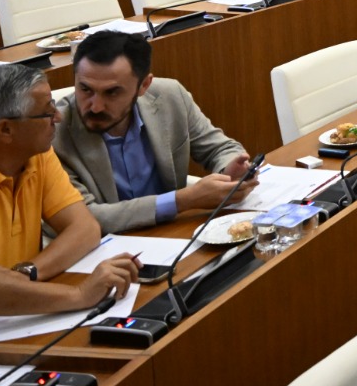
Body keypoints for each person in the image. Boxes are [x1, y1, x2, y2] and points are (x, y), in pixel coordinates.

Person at [0, 64, 138, 318]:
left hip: (16, 312)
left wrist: (25, 273)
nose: (58, 117)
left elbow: (85, 229)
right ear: (5, 130)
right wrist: (79, 295)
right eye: (46, 112)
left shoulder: (37, 156)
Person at [53, 31, 253, 234]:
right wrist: (183, 201)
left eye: (112, 92)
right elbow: (85, 218)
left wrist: (229, 171)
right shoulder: (54, 132)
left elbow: (221, 148)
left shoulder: (169, 96)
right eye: (85, 89)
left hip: (170, 233)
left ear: (144, 85)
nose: (95, 106)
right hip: (104, 249)